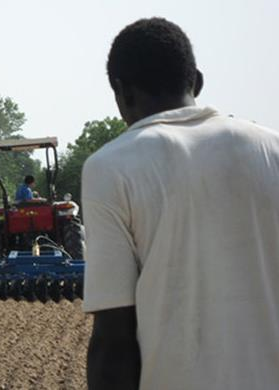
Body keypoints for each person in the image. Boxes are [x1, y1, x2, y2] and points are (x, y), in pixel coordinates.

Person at [82, 18, 279, 390]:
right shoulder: (272, 149)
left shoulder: (111, 168)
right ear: (197, 82)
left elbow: (114, 340)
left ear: (121, 93)